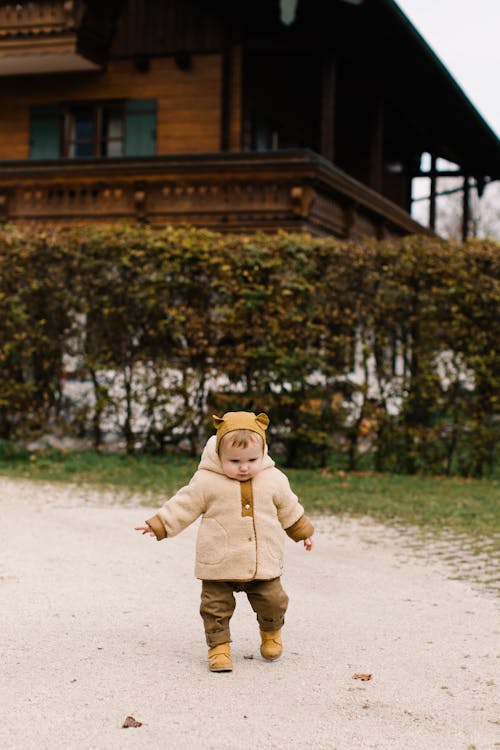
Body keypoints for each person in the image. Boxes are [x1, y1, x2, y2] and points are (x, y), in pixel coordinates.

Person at [135, 411, 314, 673]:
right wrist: (159, 524)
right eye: (234, 461)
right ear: (219, 455)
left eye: (252, 459)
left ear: (263, 452)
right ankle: (218, 648)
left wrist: (303, 532)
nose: (244, 467)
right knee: (214, 607)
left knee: (274, 600)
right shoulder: (207, 481)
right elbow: (184, 504)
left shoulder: (274, 479)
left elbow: (289, 507)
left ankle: (271, 632)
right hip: (219, 561)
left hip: (260, 560)